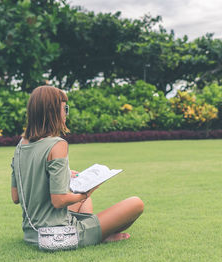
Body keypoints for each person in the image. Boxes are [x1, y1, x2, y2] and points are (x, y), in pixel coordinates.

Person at [11, 85, 144, 247]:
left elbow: (16, 197)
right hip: (57, 235)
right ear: (52, 112)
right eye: (64, 109)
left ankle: (94, 234)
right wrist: (86, 192)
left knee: (84, 205)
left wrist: (65, 174)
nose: (66, 114)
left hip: (32, 234)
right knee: (136, 203)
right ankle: (98, 236)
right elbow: (59, 201)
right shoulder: (57, 144)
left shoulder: (20, 146)